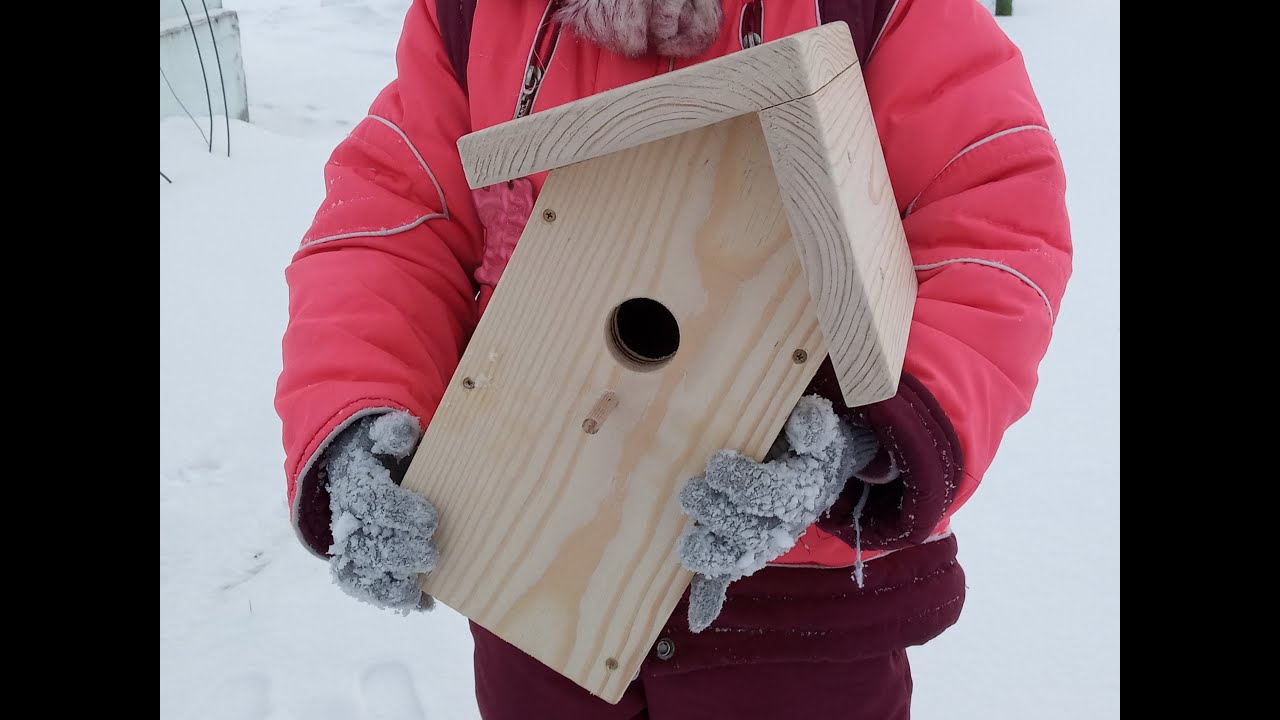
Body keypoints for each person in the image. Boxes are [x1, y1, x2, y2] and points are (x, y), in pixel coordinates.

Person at [274, 1, 1072, 718]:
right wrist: (358, 419)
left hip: (798, 619)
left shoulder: (874, 10)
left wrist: (864, 434)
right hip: (534, 573)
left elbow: (994, 222)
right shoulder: (474, 15)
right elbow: (389, 228)